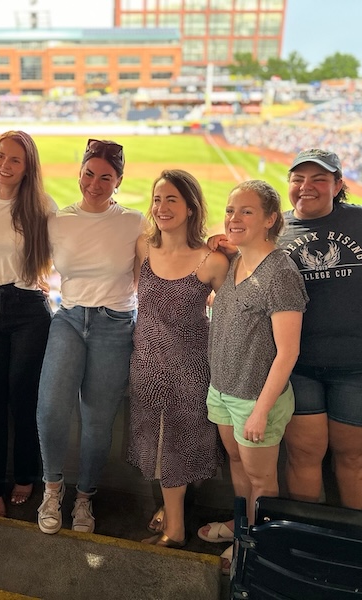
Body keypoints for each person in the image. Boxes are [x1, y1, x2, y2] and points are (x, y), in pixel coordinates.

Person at [36, 139, 146, 535]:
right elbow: (28, 257)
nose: (95, 183)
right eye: (89, 174)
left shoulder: (133, 221)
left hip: (115, 324)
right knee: (50, 409)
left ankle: (84, 498)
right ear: (79, 173)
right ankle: (52, 490)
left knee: (98, 422)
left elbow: (153, 270)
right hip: (68, 318)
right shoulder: (59, 220)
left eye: (105, 177)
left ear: (118, 180)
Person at [276, 149, 362, 510]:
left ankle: (355, 543)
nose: (306, 186)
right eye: (298, 179)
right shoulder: (274, 229)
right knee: (303, 455)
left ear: (338, 184)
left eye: (319, 179)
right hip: (298, 365)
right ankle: (312, 536)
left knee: (355, 458)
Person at [205, 180, 307, 567]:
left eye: (246, 211)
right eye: (231, 210)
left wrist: (262, 410)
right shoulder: (235, 261)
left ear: (270, 219)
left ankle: (256, 546)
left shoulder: (280, 272)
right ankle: (243, 524)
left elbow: (288, 351)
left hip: (254, 397)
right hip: (224, 389)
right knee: (237, 463)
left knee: (261, 479)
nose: (234, 218)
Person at [127, 170, 229, 548]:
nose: (162, 207)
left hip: (189, 370)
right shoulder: (143, 248)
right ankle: (171, 511)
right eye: (157, 199)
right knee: (155, 444)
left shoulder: (211, 260)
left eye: (172, 199)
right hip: (147, 366)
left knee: (180, 448)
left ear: (190, 207)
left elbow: (233, 309)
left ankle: (176, 529)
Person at [0, 131, 56, 517]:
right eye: (0, 156)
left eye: (15, 160)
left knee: (24, 400)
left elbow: (67, 251)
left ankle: (26, 476)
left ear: (28, 168)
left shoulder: (42, 207)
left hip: (28, 310)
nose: (4, 165)